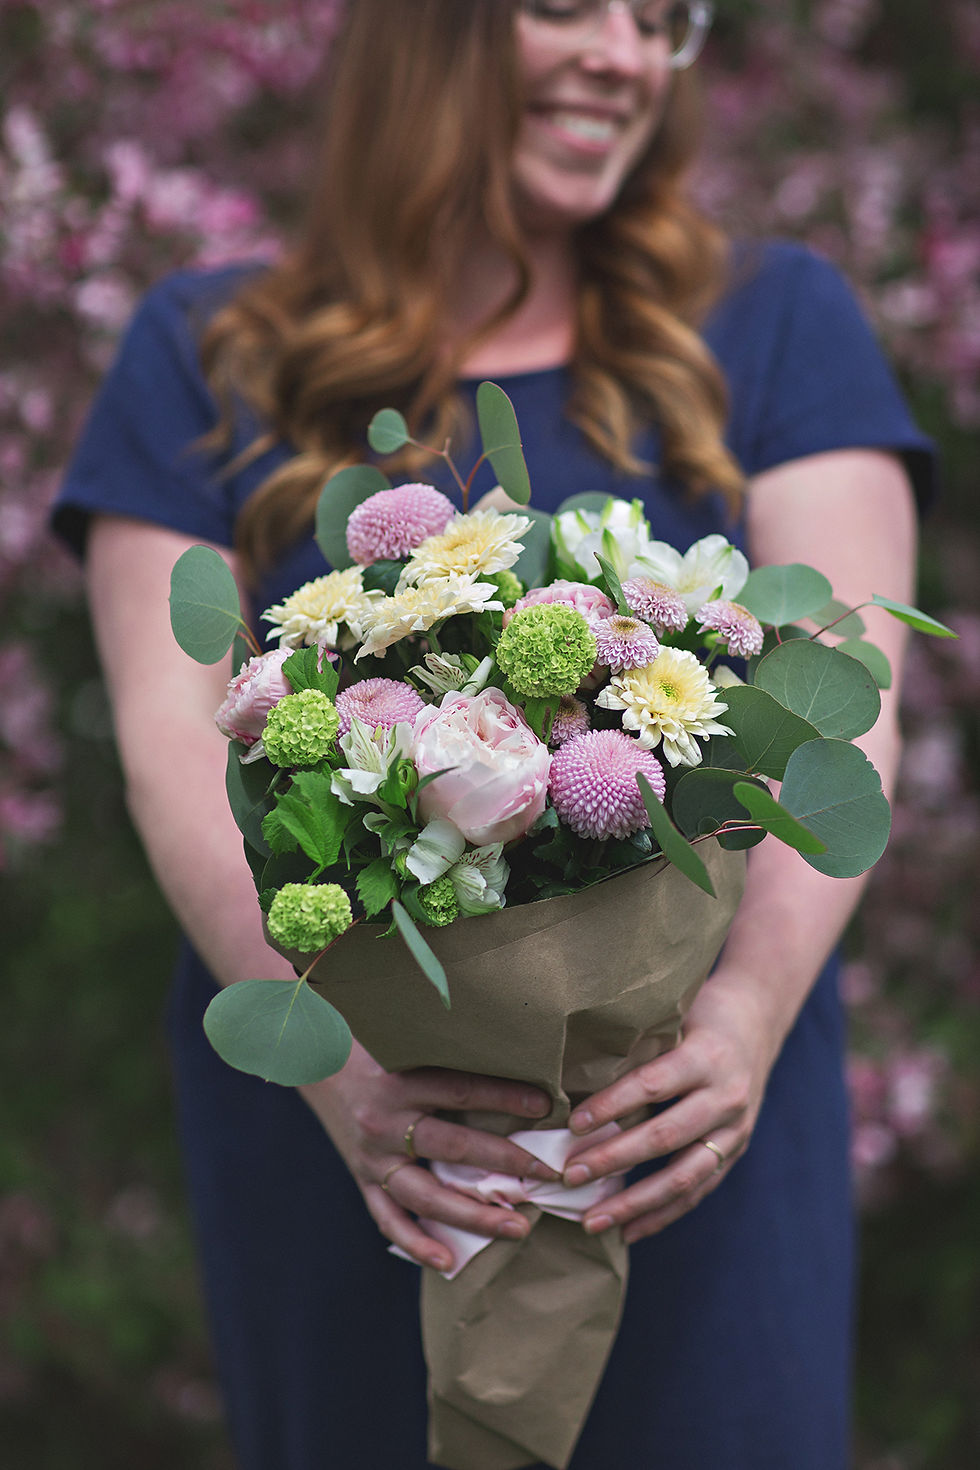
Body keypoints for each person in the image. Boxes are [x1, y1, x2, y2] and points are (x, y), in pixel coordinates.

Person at [54, 2, 934, 1466]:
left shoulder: (775, 322)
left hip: (692, 1116)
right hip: (355, 1130)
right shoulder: (201, 352)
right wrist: (341, 1079)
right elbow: (171, 747)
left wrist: (746, 1017)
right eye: (568, 6)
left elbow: (847, 714)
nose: (625, 53)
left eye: (662, 20)